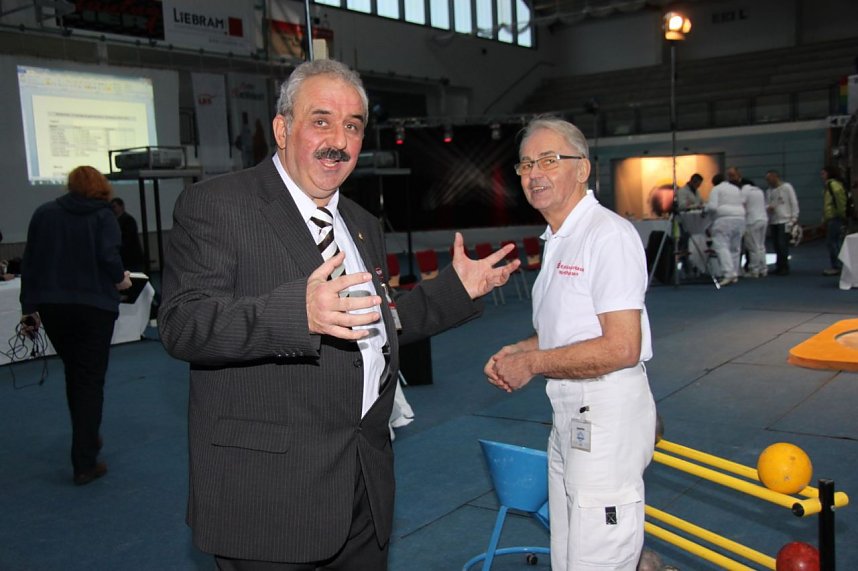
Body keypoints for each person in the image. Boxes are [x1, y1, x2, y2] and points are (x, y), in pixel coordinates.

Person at [158, 59, 518, 570]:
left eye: (352, 126)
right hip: (270, 498)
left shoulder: (361, 221)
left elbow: (378, 322)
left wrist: (454, 291)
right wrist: (297, 313)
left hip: (364, 487)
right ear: (283, 129)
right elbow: (183, 324)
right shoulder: (217, 204)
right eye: (321, 120)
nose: (339, 140)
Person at [484, 117, 655, 571]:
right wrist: (521, 352)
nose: (533, 173)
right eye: (524, 164)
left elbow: (622, 347)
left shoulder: (607, 235)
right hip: (569, 415)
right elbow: (567, 331)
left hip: (605, 412)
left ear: (583, 169)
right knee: (569, 555)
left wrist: (534, 363)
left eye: (548, 160)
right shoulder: (559, 239)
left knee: (596, 559)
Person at [19, 165, 132, 486]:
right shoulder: (103, 216)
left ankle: (87, 436)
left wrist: (29, 309)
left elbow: (31, 263)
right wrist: (121, 281)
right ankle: (84, 460)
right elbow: (108, 257)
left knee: (75, 374)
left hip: (54, 309)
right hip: (93, 307)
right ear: (101, 187)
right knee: (90, 380)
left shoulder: (44, 214)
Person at [706, 171, 746, 286]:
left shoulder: (716, 189)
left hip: (724, 219)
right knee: (735, 247)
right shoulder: (736, 189)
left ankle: (728, 273)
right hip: (740, 218)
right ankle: (735, 272)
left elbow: (713, 207)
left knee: (721, 246)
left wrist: (706, 210)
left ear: (714, 183)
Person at [765, 170, 800, 276]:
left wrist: (794, 217)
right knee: (776, 244)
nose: (768, 181)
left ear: (776, 177)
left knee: (782, 244)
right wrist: (768, 208)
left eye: (769, 179)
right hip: (774, 221)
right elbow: (766, 204)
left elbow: (793, 202)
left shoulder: (787, 187)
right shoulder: (769, 191)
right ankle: (779, 266)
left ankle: (784, 266)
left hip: (785, 220)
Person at [821, 165, 848, 276]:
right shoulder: (830, 186)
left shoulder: (833, 186)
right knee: (835, 242)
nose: (821, 176)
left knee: (832, 242)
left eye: (823, 173)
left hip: (835, 217)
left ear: (829, 173)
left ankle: (837, 266)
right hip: (832, 217)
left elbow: (840, 202)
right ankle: (839, 265)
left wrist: (841, 215)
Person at [739, 178, 768, 278]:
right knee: (761, 246)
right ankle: (763, 269)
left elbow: (741, 204)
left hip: (752, 221)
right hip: (763, 219)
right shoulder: (759, 190)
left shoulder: (745, 190)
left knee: (752, 247)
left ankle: (754, 270)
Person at [110, 197, 145, 272]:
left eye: (114, 206)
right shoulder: (115, 221)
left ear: (121, 206)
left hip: (132, 258)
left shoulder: (128, 220)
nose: (113, 209)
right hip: (125, 259)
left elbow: (128, 239)